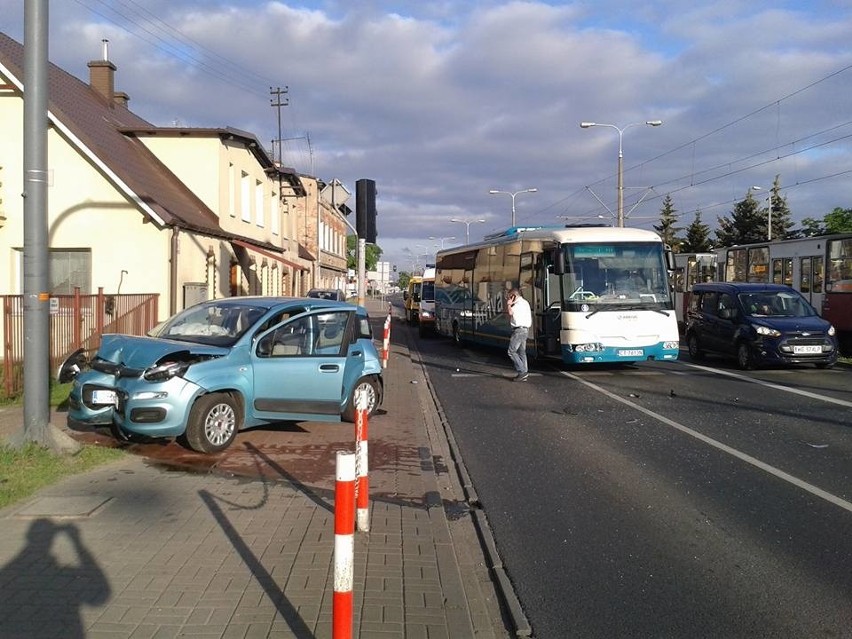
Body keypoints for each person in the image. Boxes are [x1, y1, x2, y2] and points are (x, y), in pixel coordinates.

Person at [506, 288, 532, 382]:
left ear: (513, 296)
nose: (508, 298)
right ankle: (525, 371)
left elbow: (510, 313)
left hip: (519, 330)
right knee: (522, 352)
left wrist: (509, 304)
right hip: (525, 330)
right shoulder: (525, 302)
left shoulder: (517, 304)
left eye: (510, 296)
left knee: (511, 351)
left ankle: (522, 372)